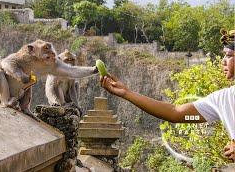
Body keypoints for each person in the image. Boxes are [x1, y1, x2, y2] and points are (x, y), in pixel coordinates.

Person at [100, 30, 235, 161]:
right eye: (223, 55)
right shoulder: (223, 100)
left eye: (229, 55)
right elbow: (175, 113)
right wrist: (126, 93)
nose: (222, 61)